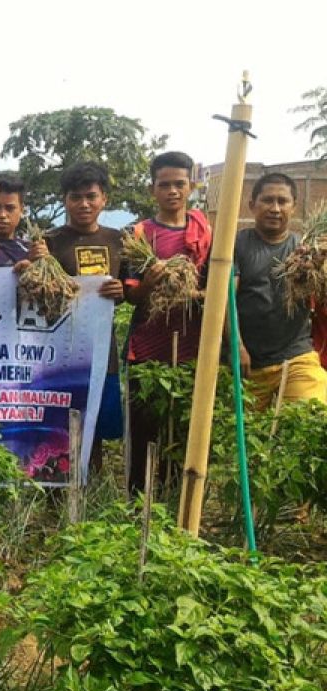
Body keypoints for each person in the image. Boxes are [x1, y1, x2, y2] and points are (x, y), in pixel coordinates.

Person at [122, 151, 212, 494]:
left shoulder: (205, 232)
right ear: (152, 189)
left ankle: (175, 501)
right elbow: (131, 295)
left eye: (179, 184)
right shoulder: (139, 234)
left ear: (191, 186)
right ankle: (137, 505)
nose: (173, 191)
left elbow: (223, 281)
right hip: (145, 351)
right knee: (143, 435)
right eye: (164, 185)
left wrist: (197, 295)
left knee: (181, 433)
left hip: (190, 350)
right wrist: (152, 282)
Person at [39, 162, 126, 470]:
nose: (84, 204)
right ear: (65, 200)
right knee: (56, 426)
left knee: (96, 427)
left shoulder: (119, 241)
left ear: (104, 198)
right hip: (57, 352)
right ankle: (55, 498)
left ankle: (89, 495)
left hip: (103, 352)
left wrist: (122, 289)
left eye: (91, 196)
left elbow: (132, 288)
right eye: (76, 197)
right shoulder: (48, 242)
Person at [234, 173, 327, 407]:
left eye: (282, 201)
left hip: (297, 357)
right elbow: (226, 300)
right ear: (252, 205)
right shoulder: (236, 245)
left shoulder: (305, 250)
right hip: (248, 362)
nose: (275, 208)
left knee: (310, 419)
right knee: (243, 434)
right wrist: (237, 346)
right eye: (267, 200)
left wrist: (319, 267)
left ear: (293, 207)